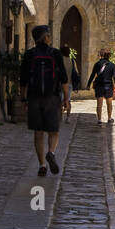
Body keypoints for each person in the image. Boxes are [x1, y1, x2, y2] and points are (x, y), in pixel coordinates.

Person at [20, 25, 70, 177]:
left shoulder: (29, 55)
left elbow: (23, 80)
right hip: (52, 97)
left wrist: (24, 99)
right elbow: (64, 79)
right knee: (53, 131)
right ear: (46, 38)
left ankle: (42, 165)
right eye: (49, 34)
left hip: (34, 97)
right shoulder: (55, 53)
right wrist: (66, 98)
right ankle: (51, 152)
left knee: (38, 133)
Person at [87, 49, 115, 123]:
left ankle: (99, 119)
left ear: (101, 55)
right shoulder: (112, 65)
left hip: (99, 86)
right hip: (108, 86)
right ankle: (109, 118)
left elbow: (92, 75)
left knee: (99, 104)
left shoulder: (97, 64)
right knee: (109, 103)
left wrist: (88, 84)